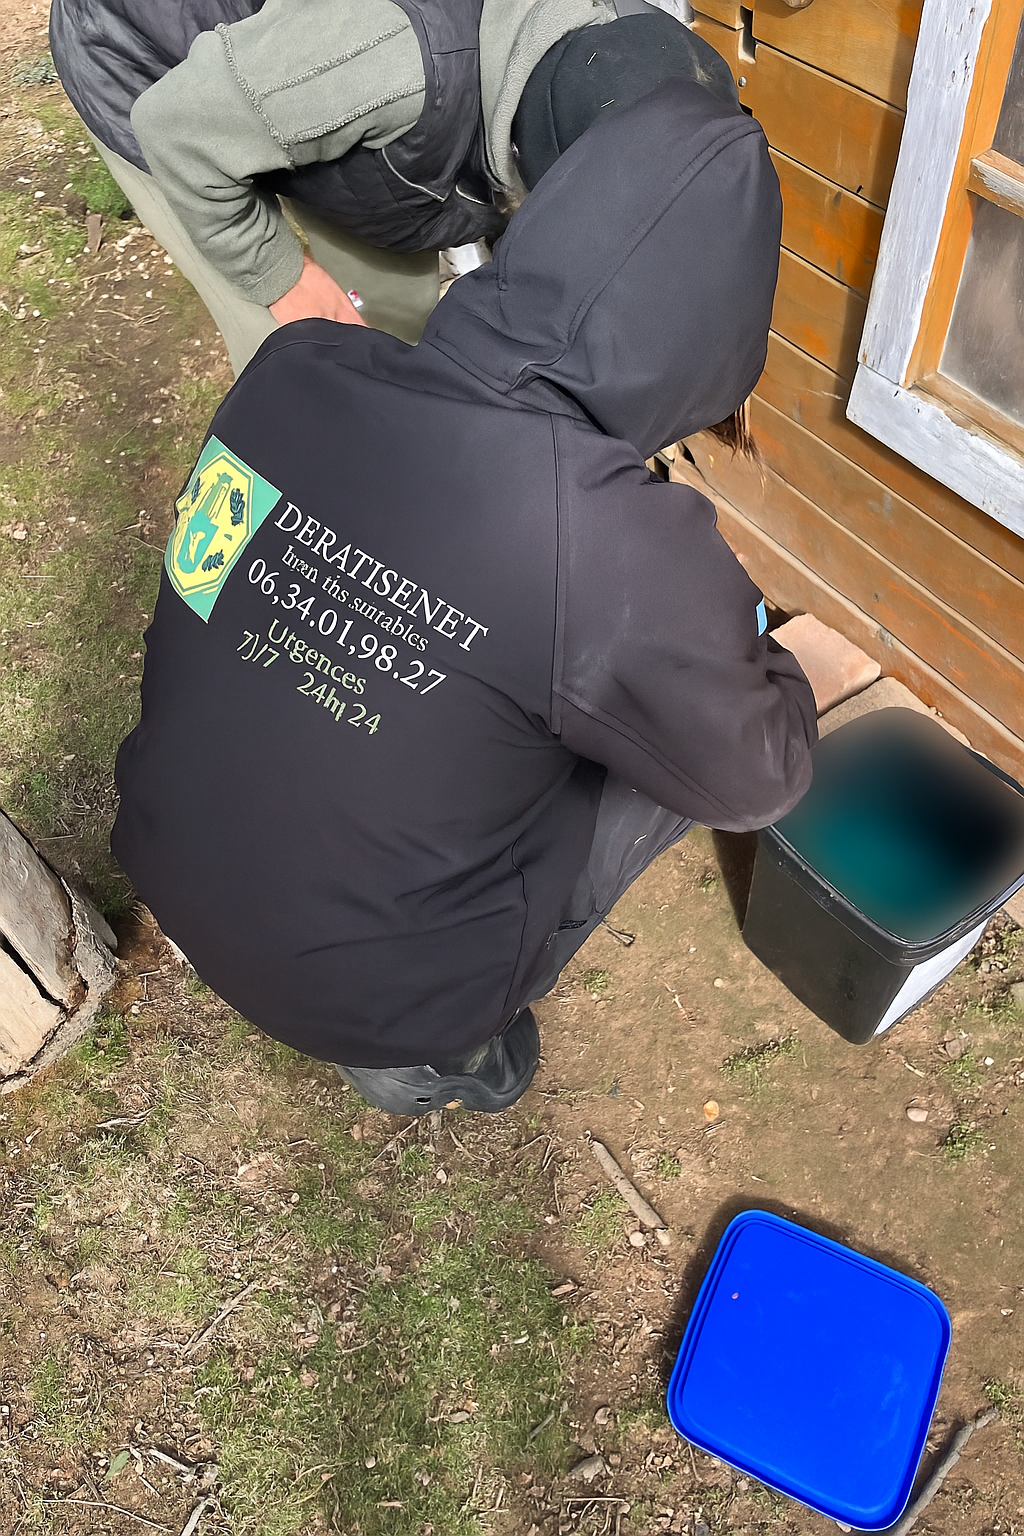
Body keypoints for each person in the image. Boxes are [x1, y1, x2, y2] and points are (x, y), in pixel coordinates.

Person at [110, 78, 817, 1117]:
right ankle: (434, 1057)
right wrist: (772, 659)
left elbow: (206, 590)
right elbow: (761, 778)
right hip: (380, 994)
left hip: (166, 854)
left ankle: (364, 988)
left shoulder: (296, 370)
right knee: (681, 750)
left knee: (504, 688)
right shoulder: (612, 539)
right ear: (705, 349)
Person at [48, 0, 736, 371]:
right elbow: (176, 128)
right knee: (298, 356)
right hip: (161, 78)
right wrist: (284, 281)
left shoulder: (614, 47)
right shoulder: (397, 64)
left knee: (393, 314)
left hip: (322, 85)